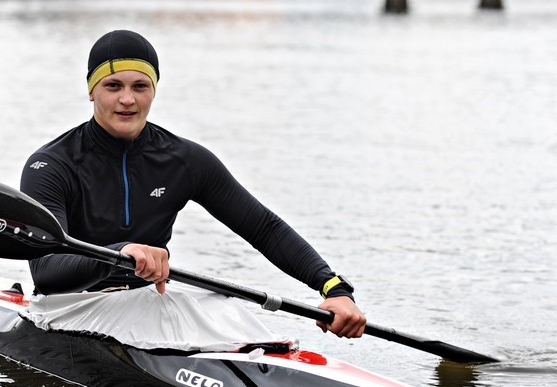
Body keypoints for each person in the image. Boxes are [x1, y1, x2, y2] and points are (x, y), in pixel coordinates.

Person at [21, 29, 366, 339]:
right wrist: (120, 254)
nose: (127, 99)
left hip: (147, 300)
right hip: (69, 305)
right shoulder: (51, 165)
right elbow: (46, 271)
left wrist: (333, 288)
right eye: (113, 86)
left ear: (153, 91)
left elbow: (263, 227)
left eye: (140, 86)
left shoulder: (184, 160)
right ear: (91, 91)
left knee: (227, 307)